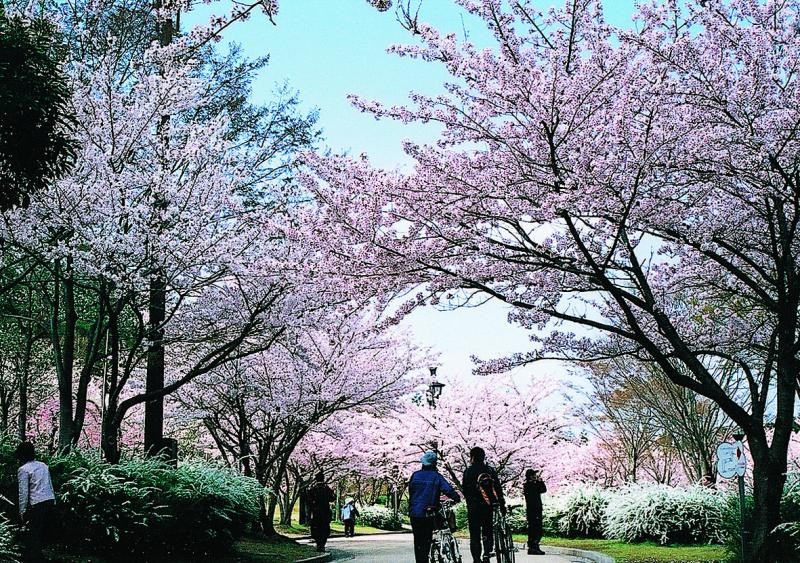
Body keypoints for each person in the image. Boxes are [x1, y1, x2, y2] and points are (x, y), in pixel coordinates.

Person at [408, 451, 460, 563]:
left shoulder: (415, 475)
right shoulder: (437, 477)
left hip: (415, 513)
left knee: (418, 541)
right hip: (428, 512)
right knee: (427, 539)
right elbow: (448, 490)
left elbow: (411, 492)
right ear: (434, 464)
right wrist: (456, 498)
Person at [463, 446, 505, 563]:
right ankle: (486, 554)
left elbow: (465, 491)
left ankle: (476, 559)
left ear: (472, 457)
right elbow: (498, 489)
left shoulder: (468, 472)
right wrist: (502, 505)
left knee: (475, 534)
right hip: (488, 506)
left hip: (473, 508)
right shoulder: (490, 470)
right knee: (487, 530)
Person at [16, 441, 55, 563]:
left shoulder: (23, 470)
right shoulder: (43, 465)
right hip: (49, 500)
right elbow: (49, 484)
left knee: (34, 535)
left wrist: (22, 511)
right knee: (41, 534)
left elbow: (23, 493)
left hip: (37, 504)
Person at [306, 471, 335, 552]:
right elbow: (332, 499)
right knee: (325, 529)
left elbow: (309, 502)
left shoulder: (312, 489)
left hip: (316, 513)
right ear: (323, 479)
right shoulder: (327, 489)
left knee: (316, 528)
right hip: (325, 512)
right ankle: (322, 544)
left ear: (316, 479)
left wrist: (312, 508)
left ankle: (319, 544)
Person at [523, 469, 547, 555]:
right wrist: (539, 482)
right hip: (533, 511)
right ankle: (533, 547)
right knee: (535, 529)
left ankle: (533, 547)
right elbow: (541, 489)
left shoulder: (532, 484)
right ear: (530, 476)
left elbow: (543, 490)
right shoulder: (528, 485)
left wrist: (540, 482)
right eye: (534, 475)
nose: (535, 476)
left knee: (535, 529)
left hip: (535, 510)